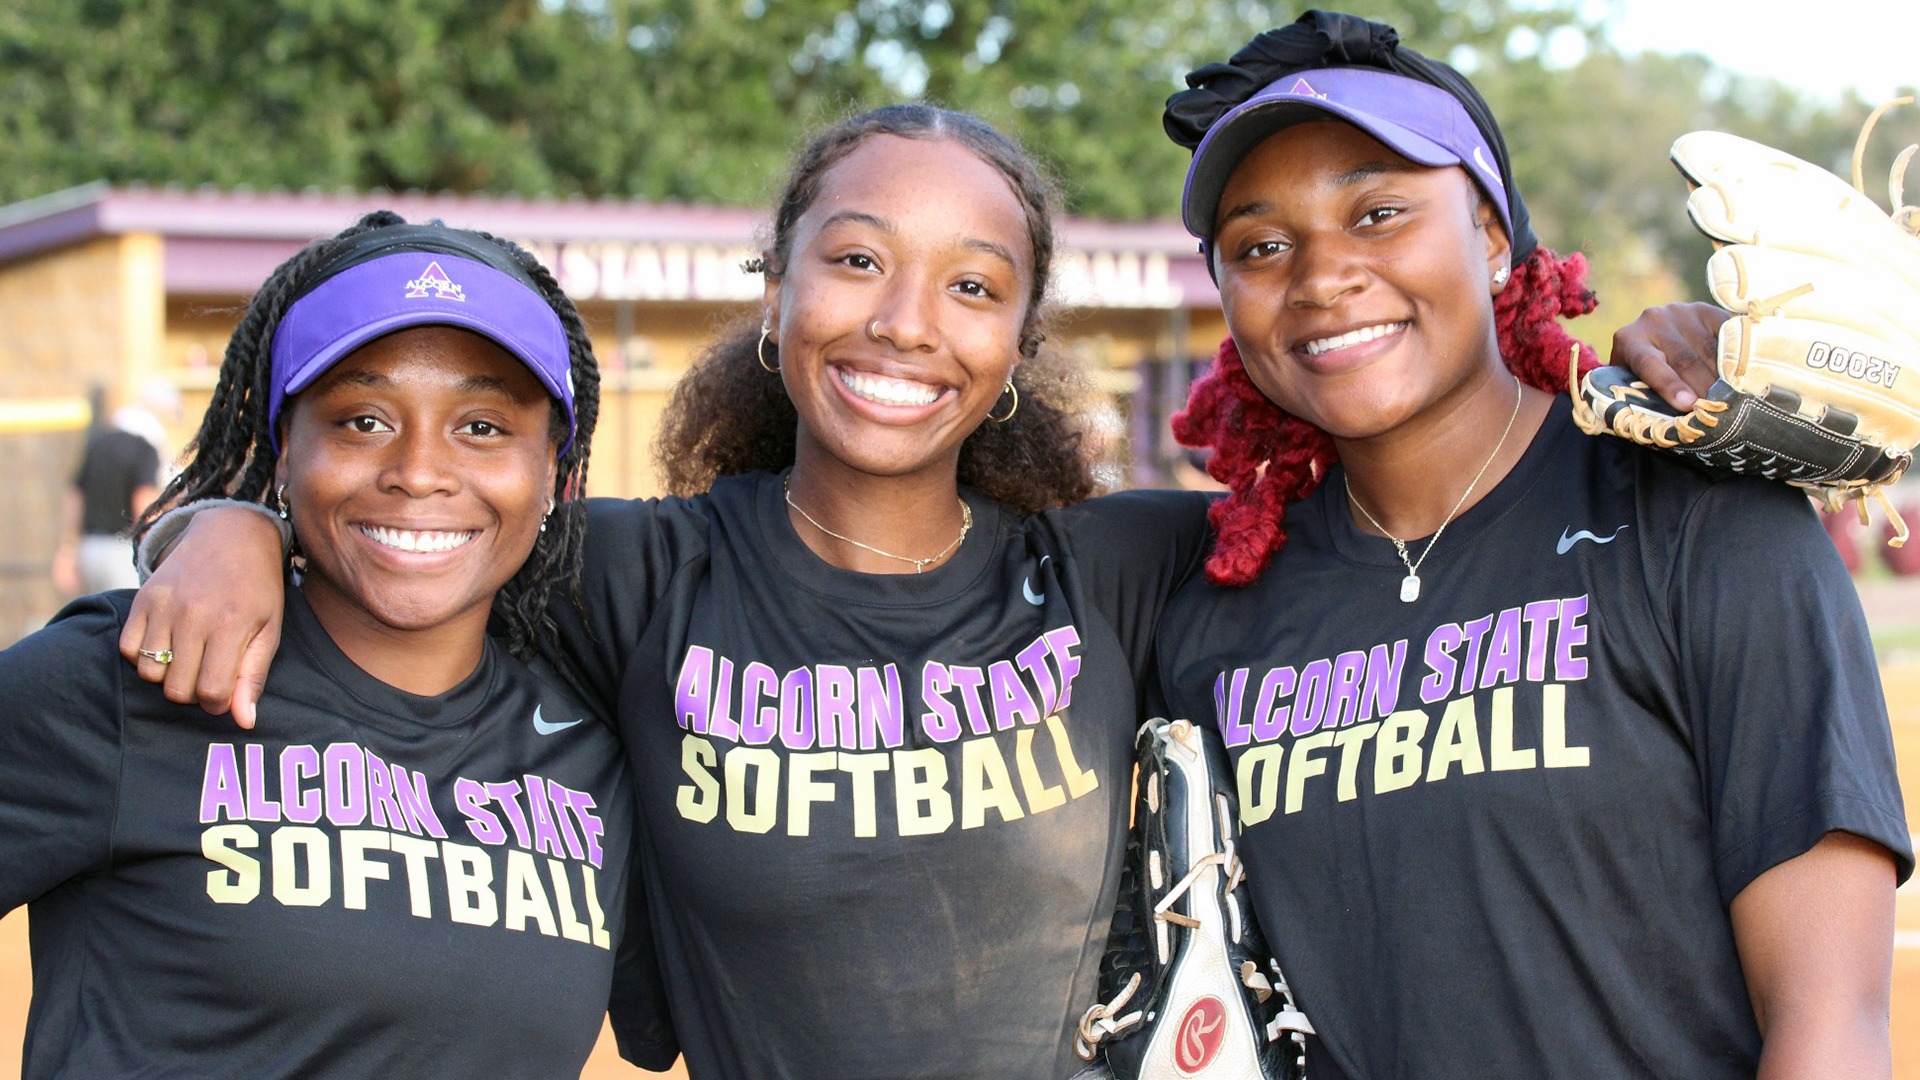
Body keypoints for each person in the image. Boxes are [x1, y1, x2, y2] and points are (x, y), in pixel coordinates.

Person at [123, 106, 1729, 1079]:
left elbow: (1425, 487)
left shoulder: (1124, 571)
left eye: (972, 286)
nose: (905, 322)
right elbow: (414, 517)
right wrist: (228, 520)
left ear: (1019, 342)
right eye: (856, 260)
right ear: (776, 290)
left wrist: (1621, 371)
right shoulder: (632, 575)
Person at [1151, 12, 1913, 1079]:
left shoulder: (1698, 523)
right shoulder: (1208, 607)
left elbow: (1830, 1022)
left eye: (1378, 212)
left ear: (1497, 239)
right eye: (1260, 245)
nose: (1321, 274)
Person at [0, 212, 659, 1078]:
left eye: (483, 427)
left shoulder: (598, 756)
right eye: (361, 420)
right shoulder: (136, 678)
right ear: (282, 450)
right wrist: (226, 524)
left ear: (556, 474)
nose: (419, 470)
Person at [52, 391, 163, 594]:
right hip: (123, 551)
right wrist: (152, 550)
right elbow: (143, 501)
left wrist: (67, 550)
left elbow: (74, 497)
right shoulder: (143, 448)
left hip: (90, 549)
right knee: (126, 618)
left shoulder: (96, 446)